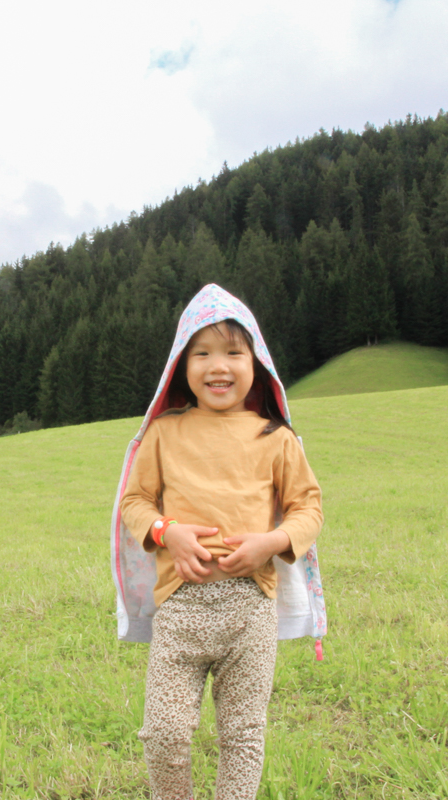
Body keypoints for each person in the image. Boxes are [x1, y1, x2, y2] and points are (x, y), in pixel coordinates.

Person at [111, 284, 326, 800]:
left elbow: (308, 507)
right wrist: (168, 532)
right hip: (180, 609)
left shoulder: (276, 438)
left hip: (251, 609)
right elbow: (135, 502)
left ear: (257, 364)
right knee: (163, 734)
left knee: (244, 737)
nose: (218, 365)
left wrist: (272, 542)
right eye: (201, 352)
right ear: (181, 366)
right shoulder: (164, 432)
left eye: (234, 351)